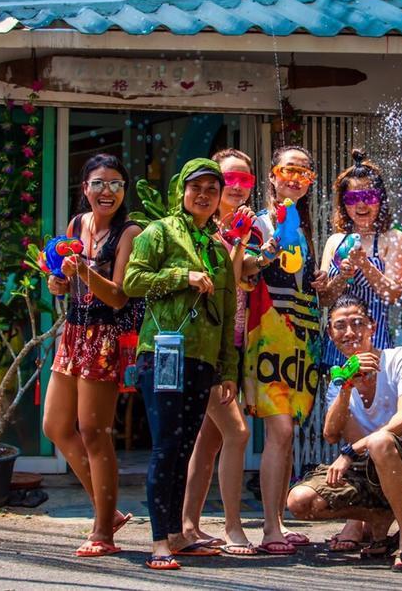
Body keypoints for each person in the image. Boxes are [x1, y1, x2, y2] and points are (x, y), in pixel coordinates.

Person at [123, 158, 238, 570]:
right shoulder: (160, 232)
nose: (204, 195)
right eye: (197, 188)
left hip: (203, 360)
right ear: (181, 191)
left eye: (212, 189)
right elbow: (131, 282)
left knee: (185, 447)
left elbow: (227, 313)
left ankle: (175, 533)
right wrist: (181, 275)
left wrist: (228, 370)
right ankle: (158, 542)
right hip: (163, 353)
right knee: (167, 446)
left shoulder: (219, 250)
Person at [287, 295, 402, 572]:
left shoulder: (401, 359)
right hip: (371, 476)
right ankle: (378, 517)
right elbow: (330, 434)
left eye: (358, 323)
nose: (349, 332)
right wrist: (347, 388)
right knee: (300, 501)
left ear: (372, 327)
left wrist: (351, 450)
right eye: (340, 326)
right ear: (330, 334)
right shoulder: (340, 382)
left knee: (382, 441)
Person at [43, 153, 142, 557]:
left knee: (94, 433)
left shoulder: (131, 232)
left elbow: (119, 296)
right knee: (55, 427)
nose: (107, 191)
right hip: (73, 333)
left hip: (104, 338)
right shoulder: (75, 226)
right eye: (99, 183)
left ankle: (103, 531)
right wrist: (58, 281)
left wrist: (83, 271)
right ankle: (110, 511)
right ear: (85, 188)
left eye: (116, 184)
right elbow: (64, 281)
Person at [316, 149, 402, 552]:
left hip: (379, 348)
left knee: (377, 434)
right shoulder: (336, 240)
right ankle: (358, 518)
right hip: (339, 350)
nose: (362, 205)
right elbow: (325, 298)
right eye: (353, 199)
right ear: (344, 205)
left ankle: (378, 518)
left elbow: (392, 293)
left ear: (380, 199)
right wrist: (343, 271)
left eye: (369, 196)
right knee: (345, 432)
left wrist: (364, 266)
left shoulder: (393, 238)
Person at [242, 145, 325, 554]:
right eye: (288, 170)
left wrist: (323, 285)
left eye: (304, 173)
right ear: (271, 176)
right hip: (269, 333)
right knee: (280, 430)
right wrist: (268, 247)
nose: (295, 178)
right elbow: (248, 269)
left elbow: (302, 284)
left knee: (289, 432)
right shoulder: (258, 222)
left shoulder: (304, 227)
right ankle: (270, 527)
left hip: (301, 338)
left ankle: (280, 521)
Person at [181, 148, 258, 555]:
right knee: (237, 431)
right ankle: (233, 527)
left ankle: (188, 524)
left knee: (208, 442)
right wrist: (241, 248)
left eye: (245, 180)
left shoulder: (252, 227)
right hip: (208, 345)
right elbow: (224, 280)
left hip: (240, 344)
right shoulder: (203, 231)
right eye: (229, 180)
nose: (236, 188)